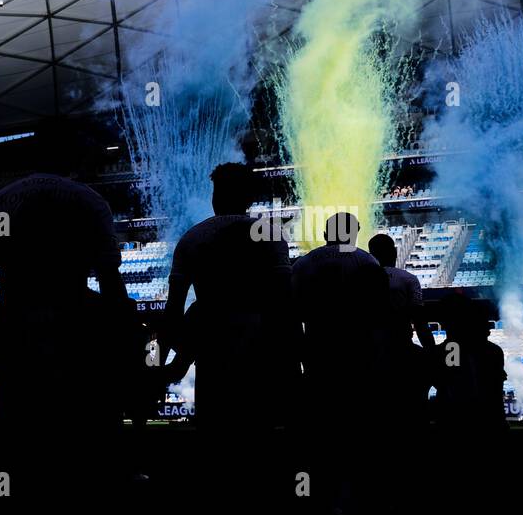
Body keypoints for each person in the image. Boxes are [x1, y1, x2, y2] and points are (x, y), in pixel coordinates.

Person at [0, 119, 134, 432]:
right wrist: (127, 364)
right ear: (68, 154)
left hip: (17, 349)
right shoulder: (90, 201)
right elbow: (112, 289)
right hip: (77, 346)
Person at [160, 163, 296, 431]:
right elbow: (285, 303)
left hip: (212, 356)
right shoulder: (269, 234)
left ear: (215, 196)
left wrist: (173, 358)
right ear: (248, 198)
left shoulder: (193, 237)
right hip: (261, 357)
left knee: (216, 440)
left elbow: (173, 311)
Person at [291, 213, 388, 422]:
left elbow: (292, 310)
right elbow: (380, 309)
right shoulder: (367, 260)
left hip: (317, 349)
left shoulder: (304, 263)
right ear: (354, 233)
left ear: (326, 234)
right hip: (358, 350)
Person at [367, 232, 436, 428]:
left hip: (371, 351)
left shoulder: (360, 280)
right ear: (395, 252)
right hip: (403, 350)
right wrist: (431, 352)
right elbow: (420, 321)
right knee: (413, 405)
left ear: (371, 253)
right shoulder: (408, 279)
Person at [431, 294, 507, 431]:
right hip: (481, 420)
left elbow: (448, 383)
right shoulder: (492, 351)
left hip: (462, 420)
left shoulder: (452, 349)